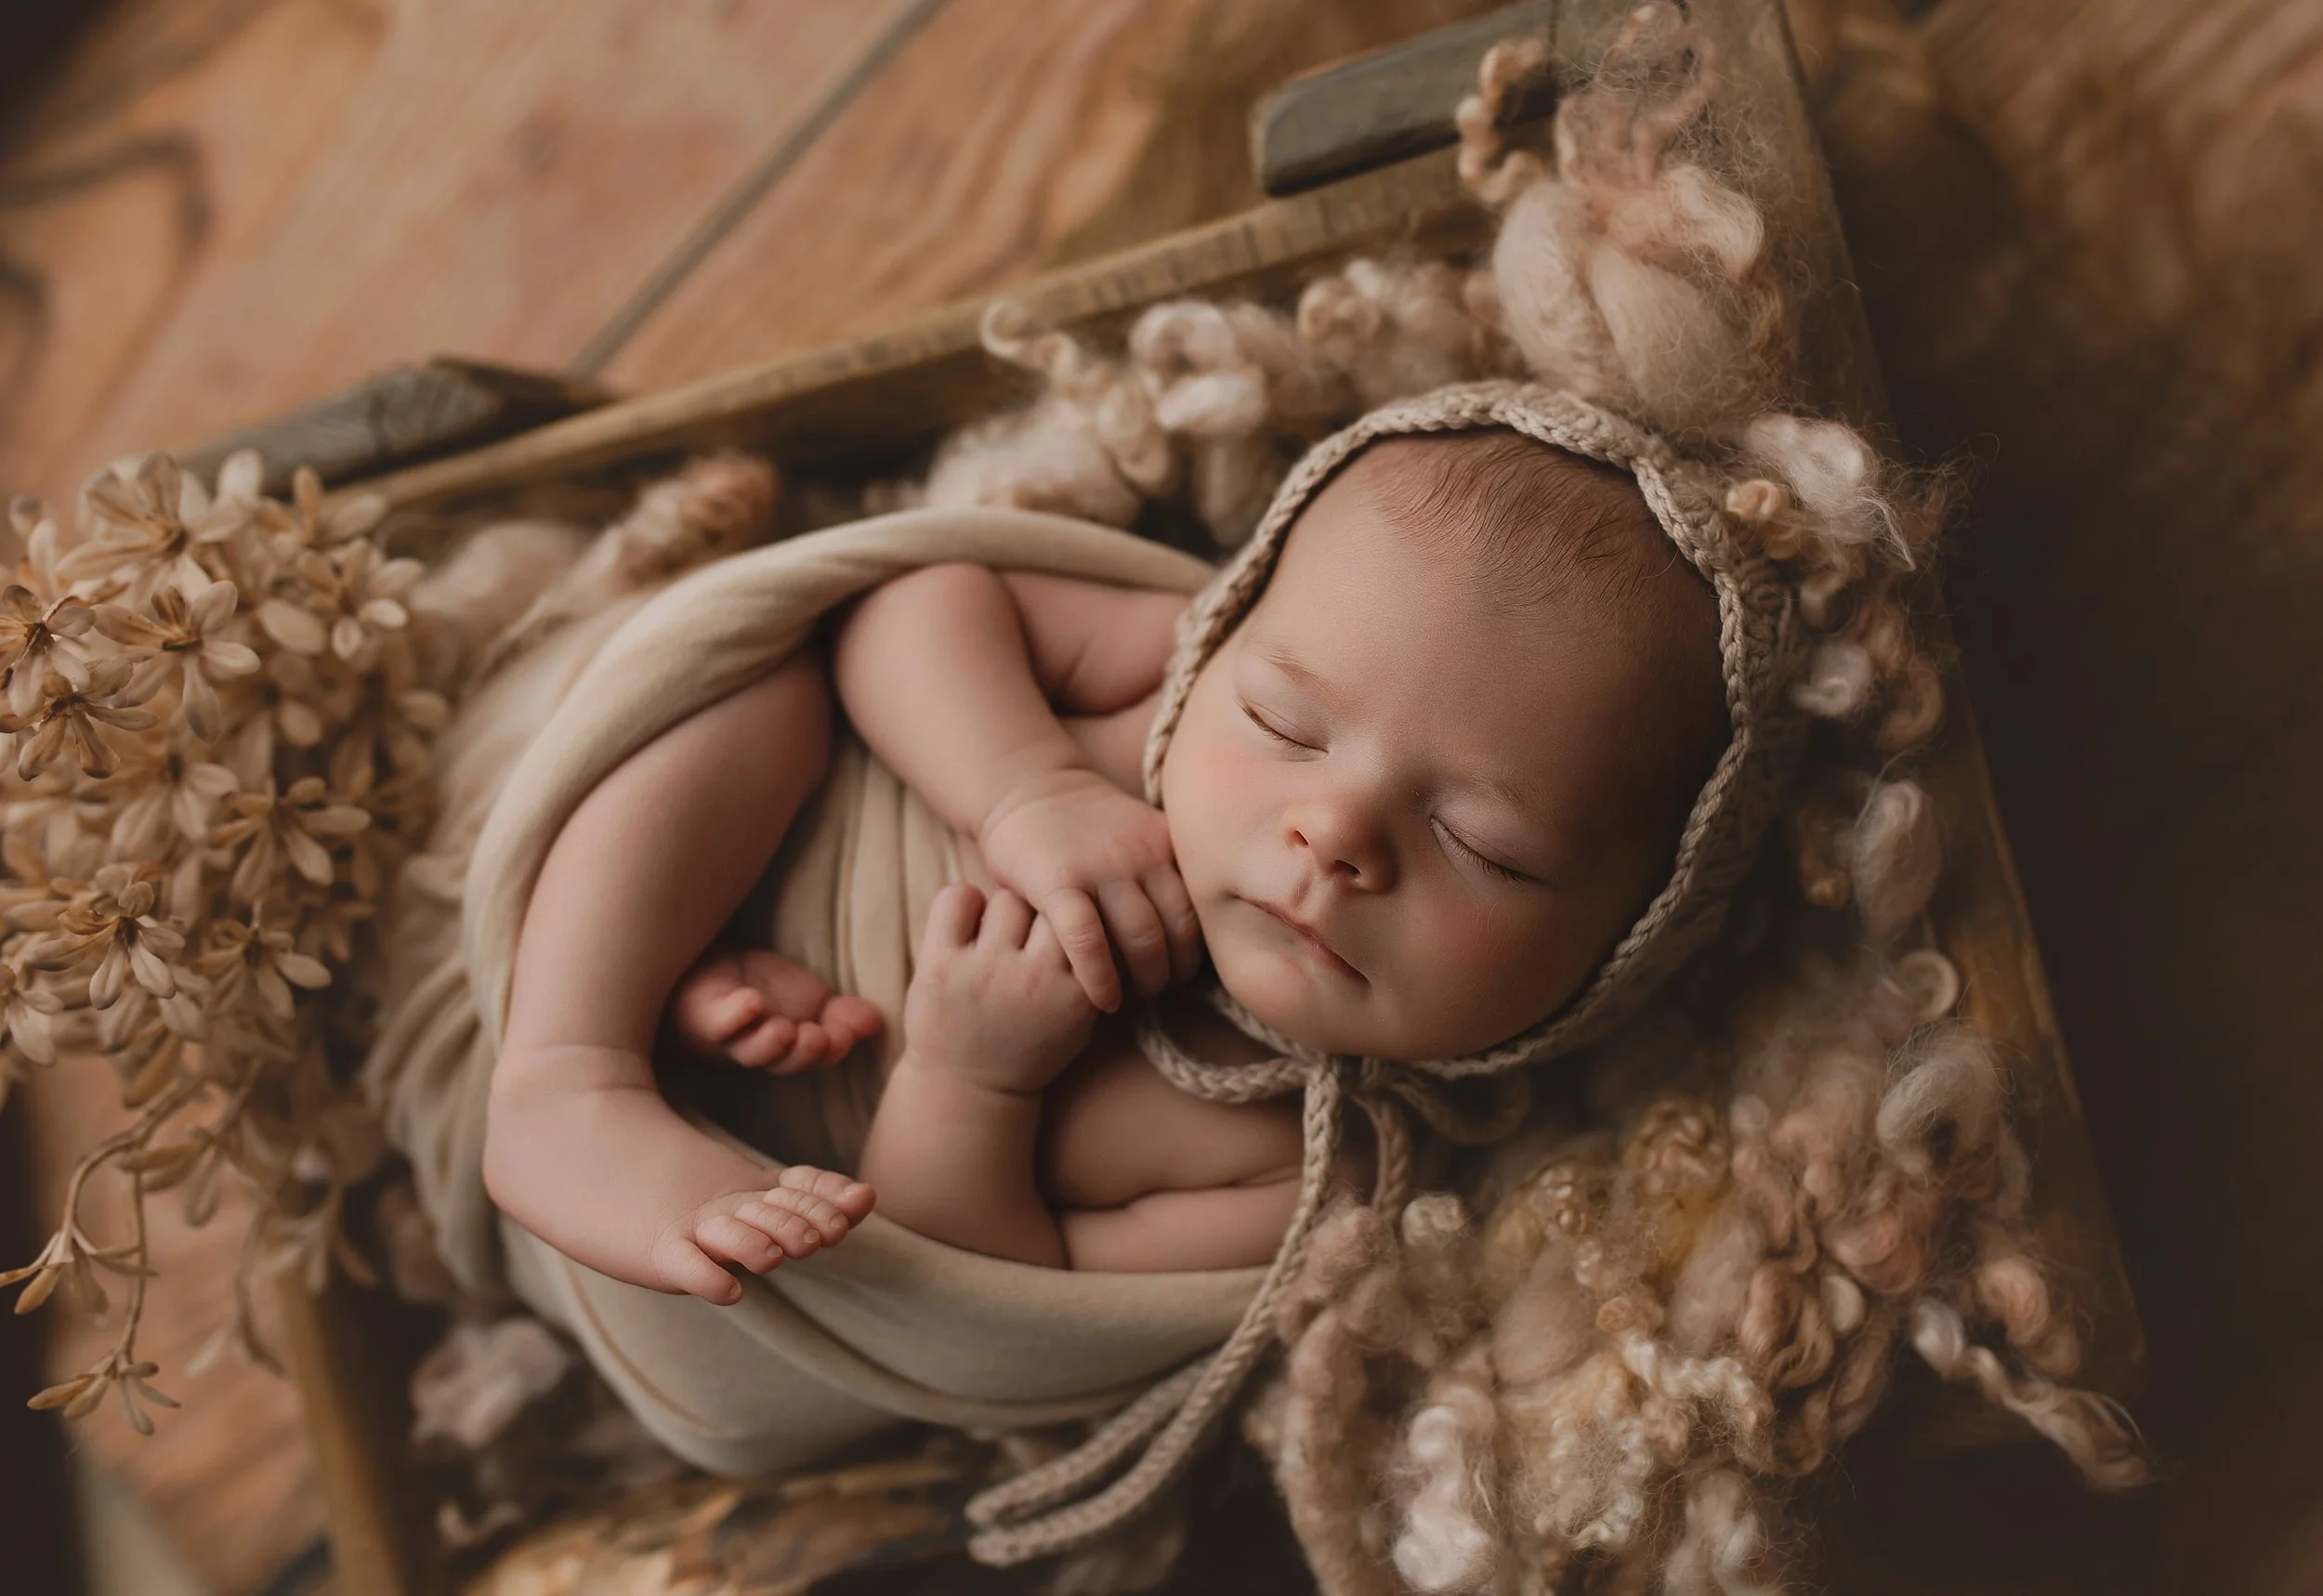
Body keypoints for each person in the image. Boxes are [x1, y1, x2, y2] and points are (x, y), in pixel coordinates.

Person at [479, 420, 1726, 1300]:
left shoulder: (1305, 1168)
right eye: (1289, 725)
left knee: (789, 1239)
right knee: (761, 688)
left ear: (1629, 940)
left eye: (1481, 844)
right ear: (1237, 630)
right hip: (711, 860)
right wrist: (1028, 785)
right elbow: (908, 610)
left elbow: (979, 1295)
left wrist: (974, 1084)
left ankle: (669, 1026)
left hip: (756, 1191)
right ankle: (570, 1065)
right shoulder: (1167, 687)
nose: (1336, 832)